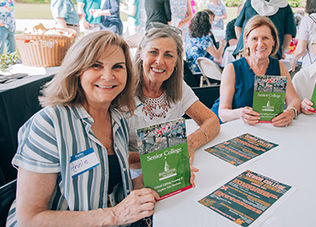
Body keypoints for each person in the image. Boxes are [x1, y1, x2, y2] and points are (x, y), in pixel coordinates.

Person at [6, 31, 159, 226]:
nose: (108, 76)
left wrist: (163, 176)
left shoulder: (118, 119)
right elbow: (30, 218)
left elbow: (111, 187)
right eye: (96, 65)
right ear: (77, 70)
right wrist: (114, 215)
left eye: (118, 67)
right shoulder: (49, 125)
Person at [128, 26, 220, 163]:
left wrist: (190, 144)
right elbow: (111, 155)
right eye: (153, 52)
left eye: (168, 55)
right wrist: (156, 156)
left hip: (174, 168)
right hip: (135, 175)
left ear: (176, 61)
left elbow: (212, 121)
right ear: (141, 53)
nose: (160, 61)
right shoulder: (123, 91)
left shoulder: (178, 86)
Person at [211, 15, 300, 126]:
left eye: (265, 38)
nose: (260, 44)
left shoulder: (280, 67)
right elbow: (223, 113)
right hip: (228, 127)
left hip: (263, 129)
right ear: (246, 42)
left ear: (273, 41)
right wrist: (240, 113)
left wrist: (291, 112)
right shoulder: (232, 69)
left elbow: (294, 100)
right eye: (254, 39)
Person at [185, 11, 226, 87]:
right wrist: (222, 44)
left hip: (191, 71)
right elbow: (217, 56)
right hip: (205, 73)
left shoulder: (189, 36)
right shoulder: (205, 39)